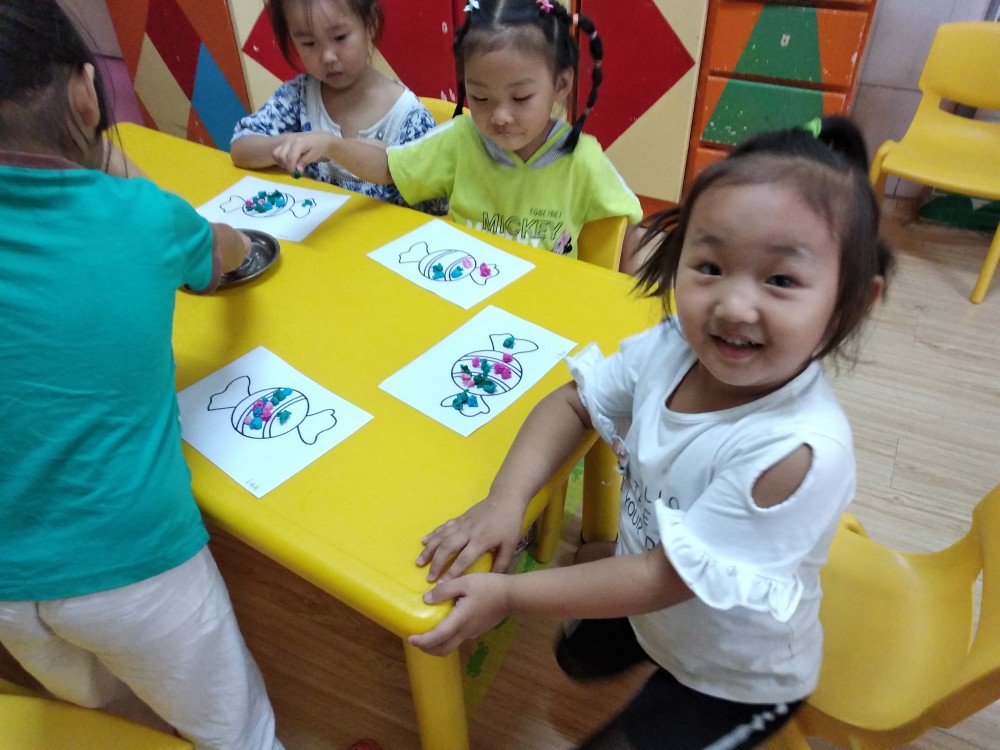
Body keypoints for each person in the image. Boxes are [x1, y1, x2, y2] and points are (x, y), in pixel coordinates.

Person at [408, 117, 896, 750]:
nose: (733, 306)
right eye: (710, 266)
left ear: (851, 301)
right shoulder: (670, 346)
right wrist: (506, 500)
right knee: (577, 653)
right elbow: (574, 403)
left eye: (780, 280)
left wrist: (508, 594)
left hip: (733, 676)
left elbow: (661, 578)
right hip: (655, 597)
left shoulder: (794, 452)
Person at [0, 3, 285, 749]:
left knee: (104, 711)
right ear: (86, 93)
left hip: (7, 591)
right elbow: (224, 253)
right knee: (236, 731)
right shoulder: (143, 217)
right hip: (129, 563)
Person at [265, 0, 643, 259]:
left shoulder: (583, 161)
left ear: (561, 85)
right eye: (480, 97)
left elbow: (627, 235)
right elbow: (388, 167)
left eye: (521, 97)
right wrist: (332, 144)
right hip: (461, 304)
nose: (500, 116)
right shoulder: (460, 140)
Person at [230, 0, 445, 214]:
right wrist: (294, 143)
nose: (328, 57)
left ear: (370, 24)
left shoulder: (409, 117)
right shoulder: (298, 95)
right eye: (308, 43)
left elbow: (437, 202)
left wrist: (331, 146)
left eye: (340, 37)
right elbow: (241, 147)